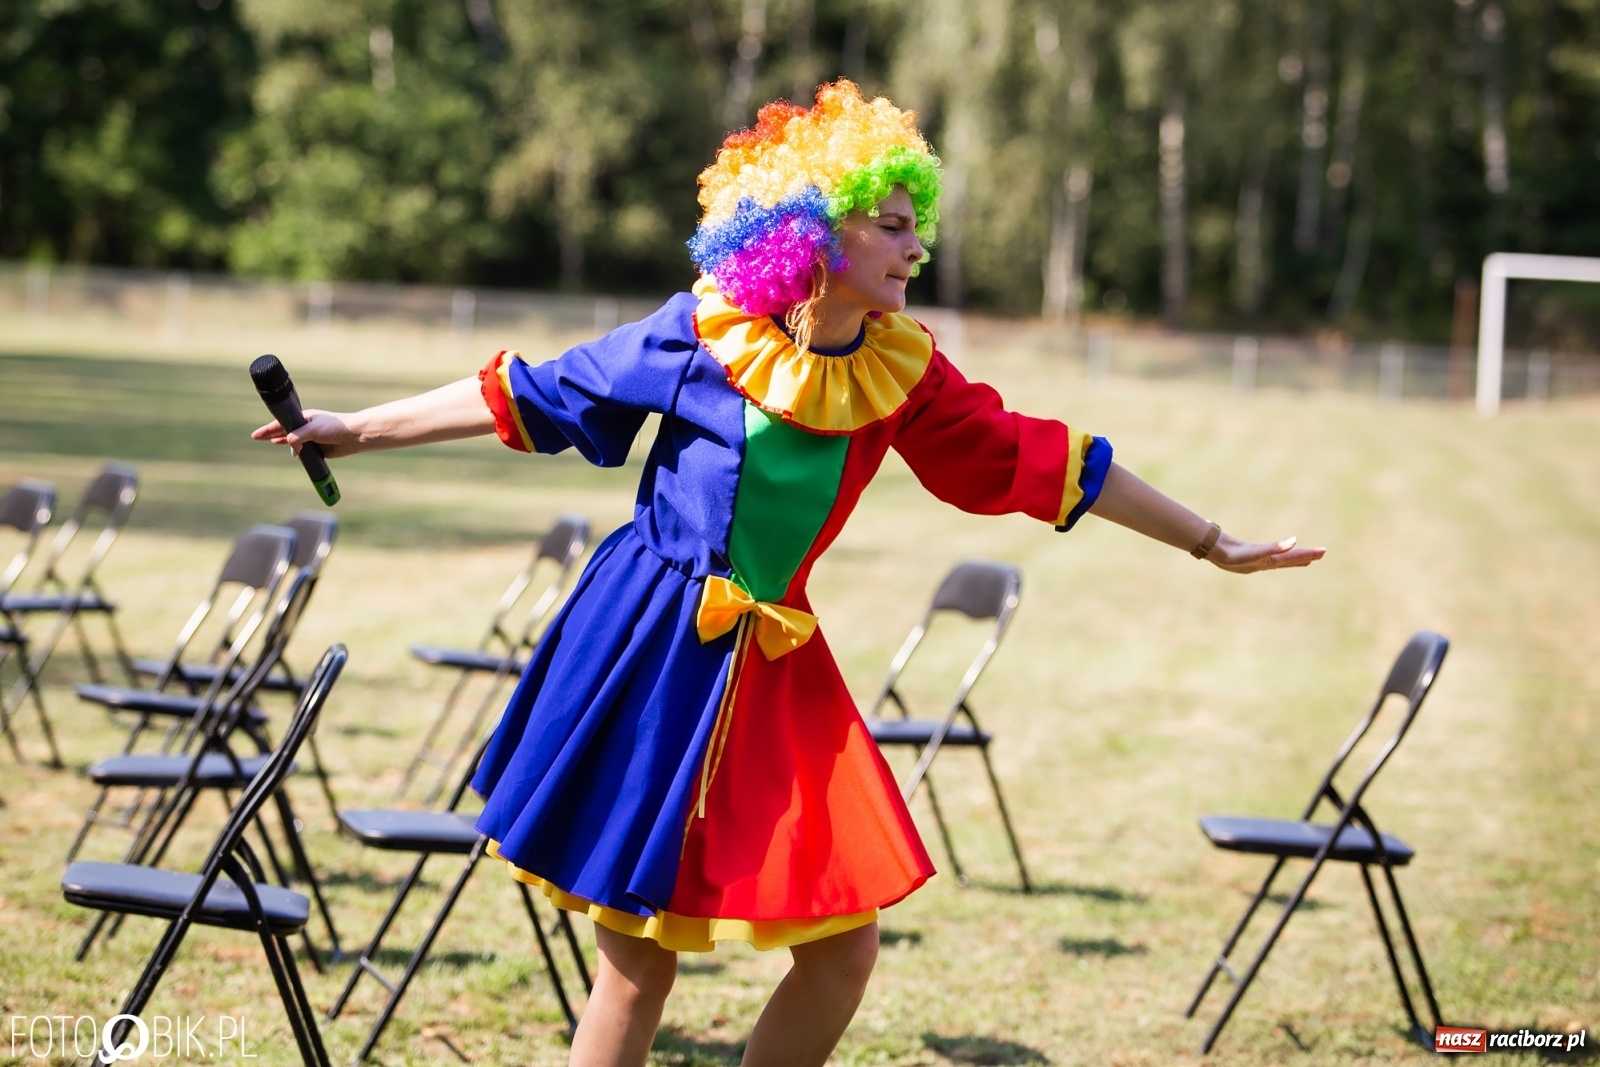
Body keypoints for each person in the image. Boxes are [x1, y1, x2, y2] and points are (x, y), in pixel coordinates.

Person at [254, 80, 1323, 1067]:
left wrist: (1209, 539)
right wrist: (355, 427)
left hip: (774, 658)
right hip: (656, 644)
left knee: (843, 949)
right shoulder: (702, 334)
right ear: (813, 233)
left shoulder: (901, 369)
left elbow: (1035, 458)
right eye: (890, 226)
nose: (915, 250)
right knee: (638, 959)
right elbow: (537, 393)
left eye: (917, 226)